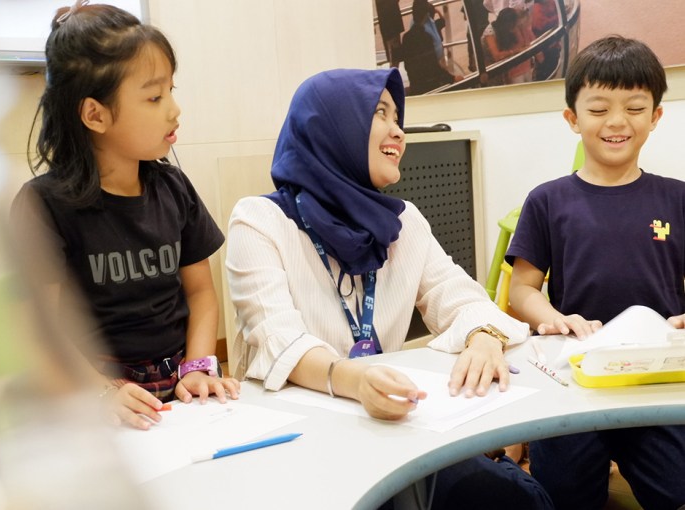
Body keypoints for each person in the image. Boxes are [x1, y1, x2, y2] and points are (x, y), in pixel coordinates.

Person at [226, 67, 553, 509]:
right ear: (331, 128)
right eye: (380, 114)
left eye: (398, 117)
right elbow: (279, 340)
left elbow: (462, 299)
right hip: (300, 439)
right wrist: (356, 381)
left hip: (391, 427)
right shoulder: (259, 220)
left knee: (518, 500)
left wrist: (483, 338)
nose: (398, 131)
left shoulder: (404, 222)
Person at [10, 1, 239, 431]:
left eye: (172, 90)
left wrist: (198, 366)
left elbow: (202, 295)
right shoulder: (43, 205)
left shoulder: (174, 188)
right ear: (94, 114)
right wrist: (102, 390)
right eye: (154, 96)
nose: (174, 109)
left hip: (180, 393)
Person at [506, 36, 685, 510]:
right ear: (573, 118)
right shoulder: (547, 200)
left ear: (656, 117)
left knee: (676, 489)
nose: (617, 122)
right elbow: (521, 289)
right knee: (563, 495)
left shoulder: (677, 198)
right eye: (600, 108)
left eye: (635, 107)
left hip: (659, 377)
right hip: (574, 378)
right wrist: (550, 317)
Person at [402, 0, 460, 94]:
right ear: (426, 16)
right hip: (429, 86)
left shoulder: (406, 38)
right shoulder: (426, 37)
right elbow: (433, 66)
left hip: (415, 84)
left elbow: (407, 66)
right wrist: (452, 78)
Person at [375, 0, 405, 68]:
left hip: (388, 21)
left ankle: (393, 69)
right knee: (394, 53)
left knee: (394, 54)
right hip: (391, 20)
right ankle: (393, 71)